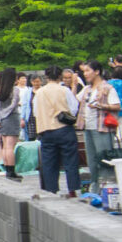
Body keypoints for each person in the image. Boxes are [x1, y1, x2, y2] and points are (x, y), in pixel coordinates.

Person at [35, 66, 83, 198]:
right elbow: (73, 109)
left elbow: (35, 112)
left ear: (46, 76)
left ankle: (51, 190)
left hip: (46, 130)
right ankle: (73, 190)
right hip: (64, 129)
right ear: (60, 76)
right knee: (70, 161)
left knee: (49, 163)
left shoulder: (39, 92)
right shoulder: (64, 90)